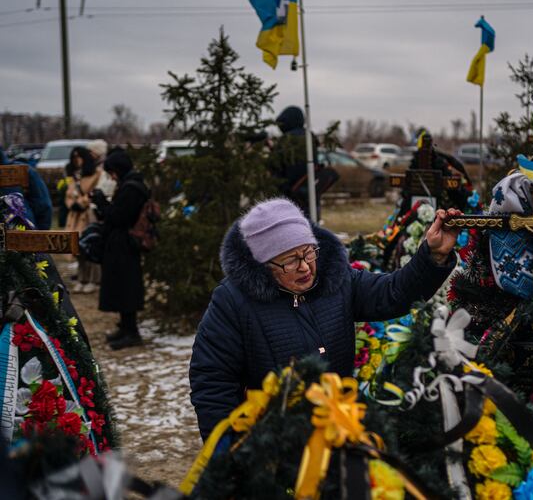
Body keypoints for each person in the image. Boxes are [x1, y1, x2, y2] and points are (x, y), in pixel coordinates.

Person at [189, 198, 461, 439]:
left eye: (308, 252)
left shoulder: (336, 278)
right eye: (290, 260)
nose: (305, 267)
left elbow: (392, 293)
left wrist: (433, 255)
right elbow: (212, 382)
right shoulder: (233, 302)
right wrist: (229, 452)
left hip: (337, 430)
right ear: (263, 264)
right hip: (273, 443)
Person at [91, 150, 150, 350]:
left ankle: (131, 331)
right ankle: (125, 327)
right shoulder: (130, 185)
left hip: (125, 245)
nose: (111, 177)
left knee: (126, 288)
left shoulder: (131, 189)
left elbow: (118, 217)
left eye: (112, 172)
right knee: (121, 286)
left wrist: (101, 202)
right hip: (122, 244)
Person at [267, 106, 319, 217]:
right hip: (310, 194)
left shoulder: (287, 140)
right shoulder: (310, 138)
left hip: (290, 196)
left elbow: (275, 166)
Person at [64, 146, 101, 293]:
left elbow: (95, 192)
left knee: (90, 247)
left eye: (79, 157)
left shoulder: (96, 174)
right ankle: (81, 278)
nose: (77, 160)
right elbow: (68, 194)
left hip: (88, 215)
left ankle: (94, 279)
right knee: (77, 248)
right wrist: (71, 204)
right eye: (74, 158)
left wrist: (82, 203)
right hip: (75, 216)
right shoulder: (73, 176)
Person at [0, 147, 52, 230]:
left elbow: (42, 206)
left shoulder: (22, 171)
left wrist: (38, 234)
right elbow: (43, 206)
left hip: (21, 232)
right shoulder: (22, 170)